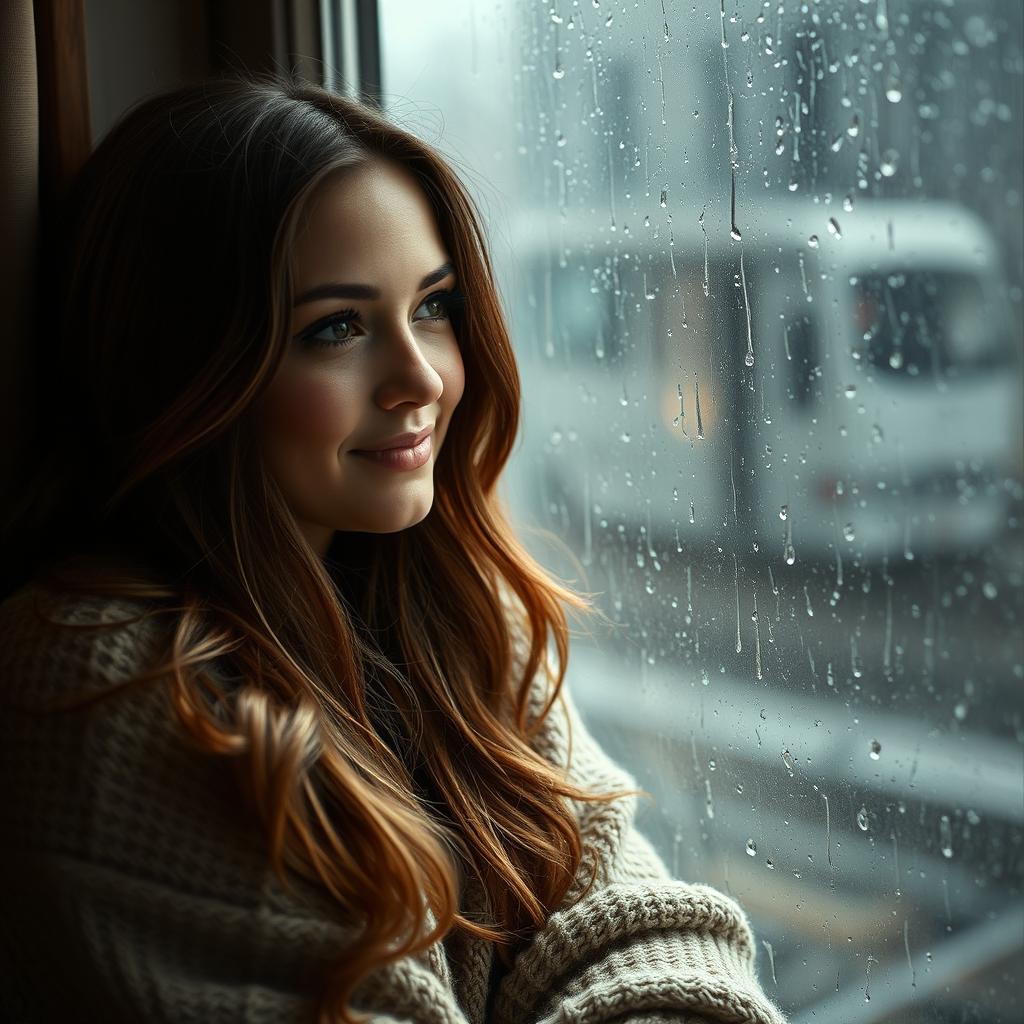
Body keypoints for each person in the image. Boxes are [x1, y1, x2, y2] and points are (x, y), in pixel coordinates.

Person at [0, 76, 788, 1024]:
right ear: (187, 369)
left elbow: (639, 926)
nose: (420, 378)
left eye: (433, 306)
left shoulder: (454, 605)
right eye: (336, 328)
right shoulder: (102, 679)